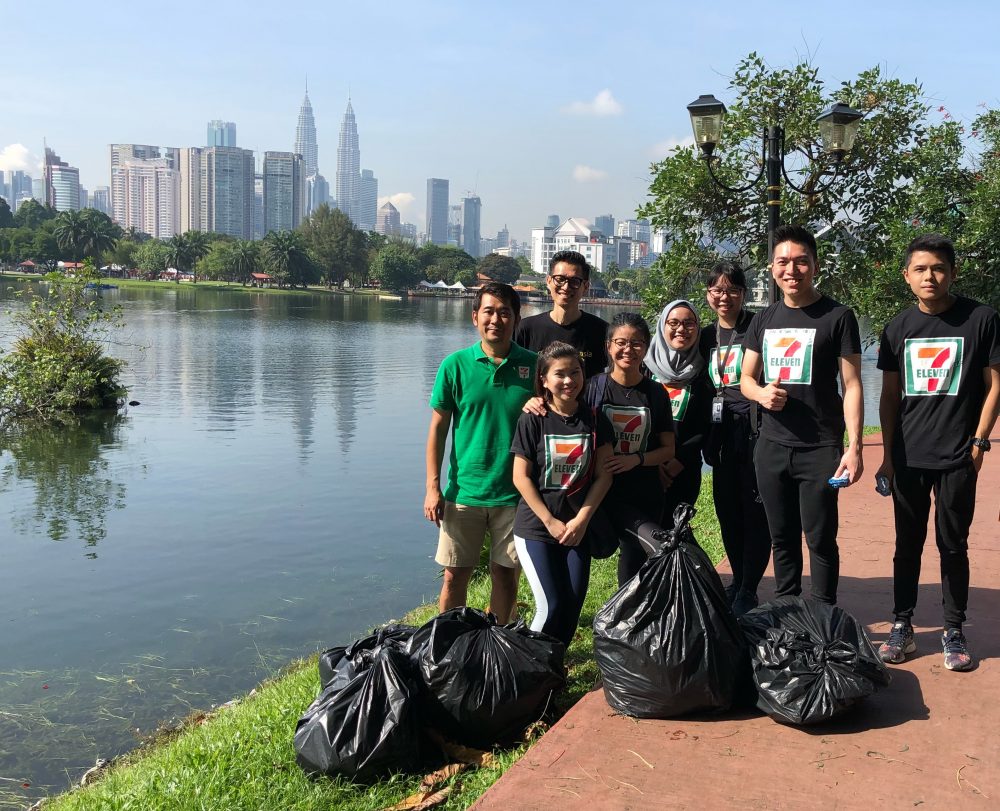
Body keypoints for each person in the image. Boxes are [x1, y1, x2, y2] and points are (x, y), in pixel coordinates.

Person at [875, 233, 1000, 671]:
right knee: (906, 545)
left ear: (953, 272)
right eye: (922, 269)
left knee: (953, 545)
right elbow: (889, 398)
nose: (931, 276)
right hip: (909, 457)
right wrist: (888, 456)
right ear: (907, 276)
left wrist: (981, 441)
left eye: (939, 268)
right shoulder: (896, 329)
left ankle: (954, 629)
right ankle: (902, 625)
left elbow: (994, 385)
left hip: (958, 456)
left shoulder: (981, 319)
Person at [741, 224, 864, 605]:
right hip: (772, 445)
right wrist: (762, 394)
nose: (791, 270)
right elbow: (745, 378)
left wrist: (854, 446)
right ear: (771, 268)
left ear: (815, 265)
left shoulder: (838, 317)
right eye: (783, 262)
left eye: (800, 262)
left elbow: (853, 384)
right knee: (781, 536)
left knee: (820, 537)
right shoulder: (764, 319)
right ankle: (787, 611)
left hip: (819, 448)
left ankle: (824, 616)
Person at [424, 282, 537, 623]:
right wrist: (433, 487)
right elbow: (438, 429)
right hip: (464, 493)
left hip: (514, 494)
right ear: (475, 317)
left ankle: (499, 646)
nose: (496, 320)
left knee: (506, 576)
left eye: (505, 313)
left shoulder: (533, 367)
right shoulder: (455, 365)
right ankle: (450, 646)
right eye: (488, 311)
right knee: (455, 575)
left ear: (516, 319)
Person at [511, 342, 615, 645]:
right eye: (560, 374)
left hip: (576, 529)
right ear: (543, 379)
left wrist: (582, 520)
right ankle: (529, 671)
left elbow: (604, 476)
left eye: (575, 372)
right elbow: (520, 477)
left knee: (571, 605)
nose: (569, 380)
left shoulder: (595, 419)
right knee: (550, 605)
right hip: (536, 528)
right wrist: (549, 521)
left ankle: (554, 670)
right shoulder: (533, 418)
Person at [699, 262, 773, 616]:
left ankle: (749, 587)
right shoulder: (703, 335)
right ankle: (736, 580)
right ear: (708, 295)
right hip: (720, 433)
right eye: (717, 290)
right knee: (727, 509)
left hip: (756, 430)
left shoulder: (758, 328)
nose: (724, 297)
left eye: (731, 290)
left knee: (755, 512)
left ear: (744, 294)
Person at [589, 313, 676, 586]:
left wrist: (635, 460)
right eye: (621, 342)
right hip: (605, 492)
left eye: (637, 343)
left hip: (644, 491)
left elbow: (668, 450)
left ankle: (631, 620)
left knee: (636, 562)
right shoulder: (593, 388)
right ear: (608, 346)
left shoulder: (655, 393)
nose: (629, 349)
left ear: (647, 347)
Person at [644, 299, 713, 524]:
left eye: (689, 323)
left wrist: (677, 462)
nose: (681, 329)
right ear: (662, 326)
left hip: (682, 471)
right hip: (644, 468)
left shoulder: (704, 371)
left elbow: (705, 424)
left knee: (675, 538)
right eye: (673, 323)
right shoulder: (644, 366)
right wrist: (652, 464)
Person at [515, 250, 608, 378]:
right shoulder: (525, 329)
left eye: (574, 281)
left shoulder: (602, 331)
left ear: (585, 286)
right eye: (559, 279)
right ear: (548, 281)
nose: (565, 287)